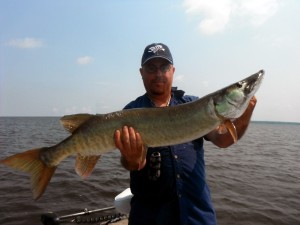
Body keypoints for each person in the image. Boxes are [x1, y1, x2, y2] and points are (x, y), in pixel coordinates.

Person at [114, 43, 257, 225]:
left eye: (164, 67)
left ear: (173, 70)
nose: (158, 74)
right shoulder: (131, 112)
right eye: (151, 68)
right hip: (151, 218)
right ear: (142, 72)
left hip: (197, 216)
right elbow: (133, 163)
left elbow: (223, 140)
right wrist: (132, 159)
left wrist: (246, 113)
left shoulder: (195, 105)